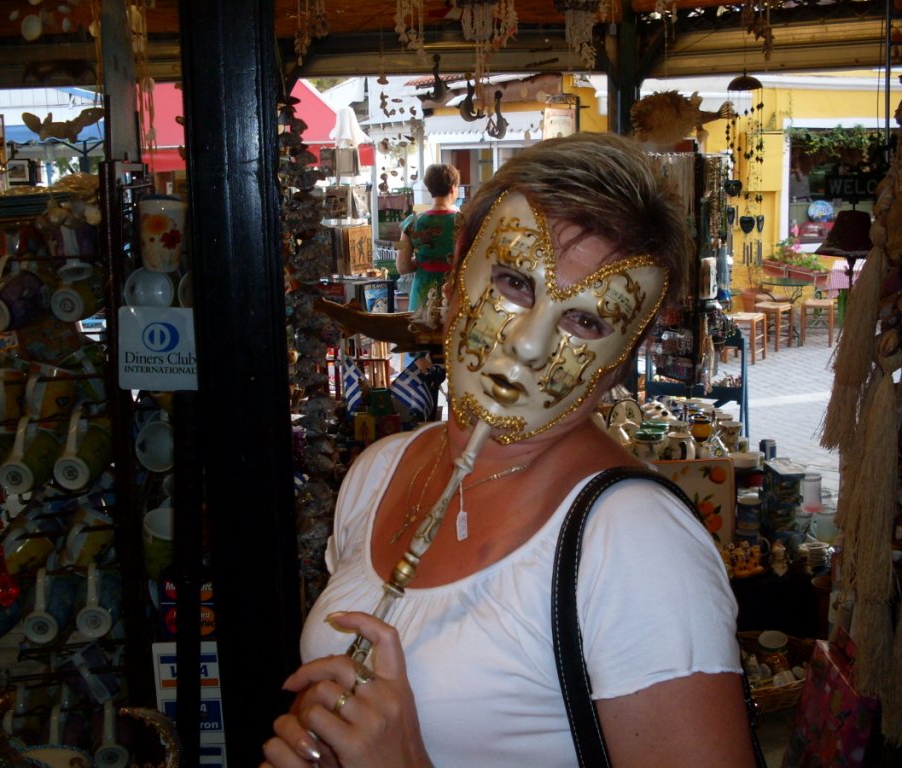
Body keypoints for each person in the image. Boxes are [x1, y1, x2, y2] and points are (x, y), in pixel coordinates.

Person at [262, 132, 756, 768]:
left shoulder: (636, 543)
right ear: (456, 277)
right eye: (517, 282)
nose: (529, 343)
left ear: (619, 362)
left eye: (585, 321)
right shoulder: (380, 471)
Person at [396, 163, 461, 313]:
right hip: (454, 295)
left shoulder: (409, 223)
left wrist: (423, 261)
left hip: (421, 298)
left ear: (429, 188)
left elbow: (401, 266)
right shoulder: (465, 222)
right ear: (453, 188)